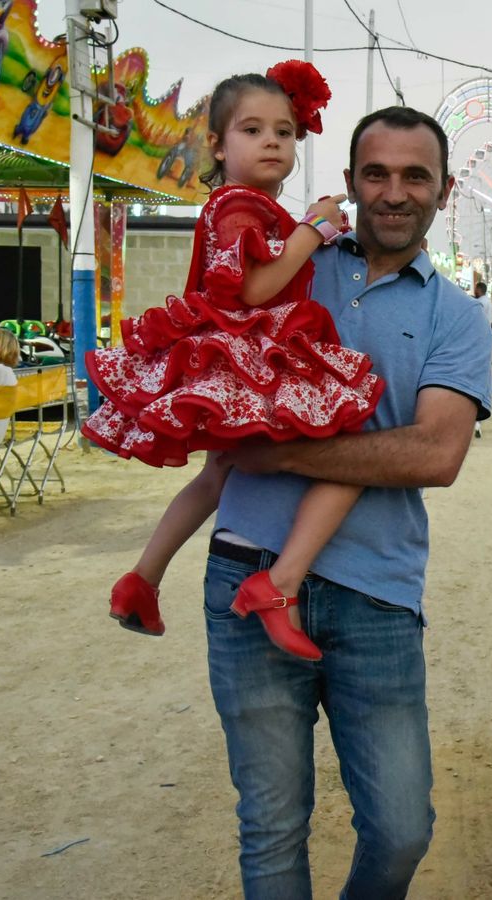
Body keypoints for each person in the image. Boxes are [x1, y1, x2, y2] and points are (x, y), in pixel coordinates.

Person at [198, 105, 492, 897]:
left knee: (401, 828)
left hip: (378, 593)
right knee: (271, 826)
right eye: (376, 174)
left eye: (414, 176)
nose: (394, 193)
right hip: (245, 575)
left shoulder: (457, 317)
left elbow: (436, 453)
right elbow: (209, 354)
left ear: (446, 190)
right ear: (351, 182)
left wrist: (279, 452)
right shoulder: (291, 268)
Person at [84, 64, 382, 662]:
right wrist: (313, 229)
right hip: (251, 350)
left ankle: (142, 578)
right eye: (252, 129)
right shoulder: (239, 207)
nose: (273, 140)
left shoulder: (239, 203)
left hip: (239, 351)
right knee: (356, 446)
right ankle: (280, 582)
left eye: (285, 130)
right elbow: (252, 288)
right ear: (218, 145)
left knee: (217, 475)